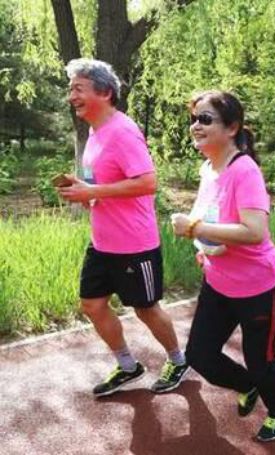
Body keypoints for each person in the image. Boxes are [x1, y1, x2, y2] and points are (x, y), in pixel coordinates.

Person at [171, 91, 275, 441]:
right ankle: (247, 385)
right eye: (194, 119)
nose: (196, 126)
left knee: (261, 360)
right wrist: (202, 247)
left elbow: (254, 231)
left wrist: (194, 229)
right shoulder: (207, 168)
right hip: (218, 281)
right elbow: (211, 217)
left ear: (232, 128)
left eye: (205, 119)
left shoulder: (245, 171)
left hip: (258, 287)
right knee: (200, 355)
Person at [58, 58, 187, 397]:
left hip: (134, 243)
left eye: (78, 89)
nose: (72, 96)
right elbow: (101, 182)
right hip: (102, 242)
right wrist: (84, 193)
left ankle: (178, 360)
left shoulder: (123, 131)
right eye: (71, 89)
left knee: (145, 308)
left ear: (105, 92)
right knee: (92, 305)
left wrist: (94, 192)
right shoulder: (94, 131)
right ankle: (128, 365)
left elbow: (147, 182)